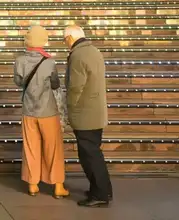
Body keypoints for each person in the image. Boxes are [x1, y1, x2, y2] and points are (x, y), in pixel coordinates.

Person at [13, 26, 69, 199]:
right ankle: (58, 186)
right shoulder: (49, 62)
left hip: (29, 111)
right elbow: (55, 84)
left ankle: (32, 184)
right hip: (48, 112)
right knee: (53, 149)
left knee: (31, 148)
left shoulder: (20, 60)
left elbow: (18, 82)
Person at [64, 25, 112, 208]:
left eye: (64, 40)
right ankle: (103, 189)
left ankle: (99, 194)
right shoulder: (94, 51)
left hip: (85, 114)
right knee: (95, 153)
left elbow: (76, 87)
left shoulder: (78, 55)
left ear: (69, 38)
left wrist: (69, 107)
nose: (65, 44)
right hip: (97, 112)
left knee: (89, 156)